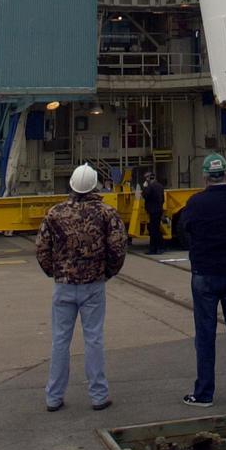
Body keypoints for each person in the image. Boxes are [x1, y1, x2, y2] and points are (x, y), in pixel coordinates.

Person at [36, 163, 127, 412]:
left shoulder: (54, 214)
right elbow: (118, 248)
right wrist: (106, 273)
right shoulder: (107, 213)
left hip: (64, 286)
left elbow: (42, 249)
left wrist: (55, 272)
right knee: (94, 339)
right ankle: (98, 396)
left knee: (59, 341)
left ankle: (53, 397)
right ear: (95, 185)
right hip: (93, 286)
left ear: (72, 185)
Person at [180, 152, 226, 406]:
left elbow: (186, 228)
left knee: (205, 334)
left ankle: (204, 393)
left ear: (205, 176)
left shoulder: (195, 203)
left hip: (205, 275)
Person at [142, 172, 165, 254]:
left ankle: (153, 249)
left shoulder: (150, 186)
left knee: (153, 230)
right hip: (159, 210)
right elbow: (163, 199)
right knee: (157, 229)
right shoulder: (160, 186)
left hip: (152, 210)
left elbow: (145, 195)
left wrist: (144, 187)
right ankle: (160, 247)